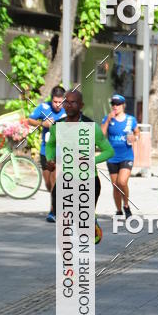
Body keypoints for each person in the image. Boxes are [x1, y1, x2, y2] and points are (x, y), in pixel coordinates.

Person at [45, 90, 114, 244]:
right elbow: (50, 145)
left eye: (73, 102)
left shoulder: (92, 127)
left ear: (81, 105)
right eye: (66, 102)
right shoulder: (57, 126)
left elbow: (109, 151)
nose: (68, 105)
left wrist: (90, 160)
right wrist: (50, 159)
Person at [26, 86, 67, 221]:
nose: (58, 105)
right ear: (51, 99)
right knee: (48, 184)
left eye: (60, 102)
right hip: (45, 150)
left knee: (55, 179)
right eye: (55, 102)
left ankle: (53, 211)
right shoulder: (43, 107)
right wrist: (43, 124)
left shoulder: (69, 110)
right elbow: (29, 120)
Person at [101, 94, 139, 219]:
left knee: (122, 182)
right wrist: (107, 120)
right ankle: (118, 210)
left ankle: (126, 205)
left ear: (123, 105)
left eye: (117, 104)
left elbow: (137, 133)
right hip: (112, 157)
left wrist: (135, 137)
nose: (115, 106)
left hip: (126, 155)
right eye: (113, 104)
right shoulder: (108, 118)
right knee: (115, 185)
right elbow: (101, 135)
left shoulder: (130, 119)